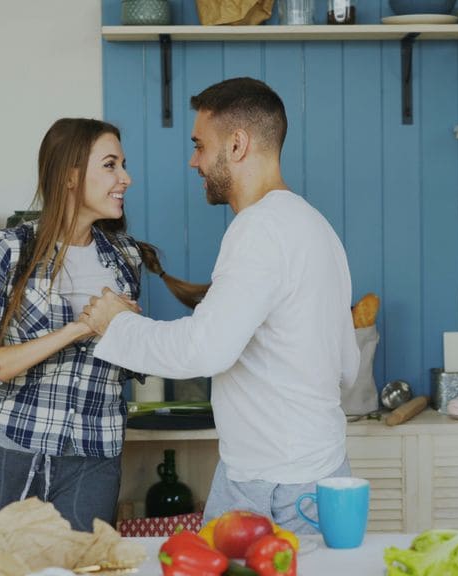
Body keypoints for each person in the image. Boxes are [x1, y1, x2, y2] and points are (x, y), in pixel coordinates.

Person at [82, 77, 360, 533]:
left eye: (199, 145)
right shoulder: (316, 228)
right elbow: (347, 367)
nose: (194, 161)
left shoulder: (259, 230)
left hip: (275, 485)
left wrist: (117, 325)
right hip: (314, 470)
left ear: (236, 144)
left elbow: (205, 349)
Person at [0, 118, 167, 532]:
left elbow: (124, 366)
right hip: (10, 447)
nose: (126, 178)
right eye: (110, 165)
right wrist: (78, 329)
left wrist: (131, 332)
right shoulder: (7, 250)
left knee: (83, 568)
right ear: (71, 176)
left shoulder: (125, 257)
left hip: (93, 455)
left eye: (122, 165)